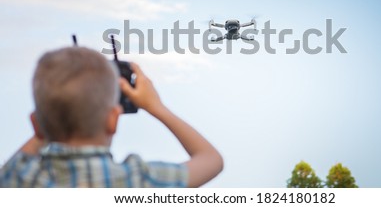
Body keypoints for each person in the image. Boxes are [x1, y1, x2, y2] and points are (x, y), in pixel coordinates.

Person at [0, 47, 223, 187]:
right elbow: (211, 160)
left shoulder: (20, 177)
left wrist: (52, 119)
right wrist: (156, 107)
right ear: (113, 119)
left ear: (36, 124)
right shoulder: (139, 180)